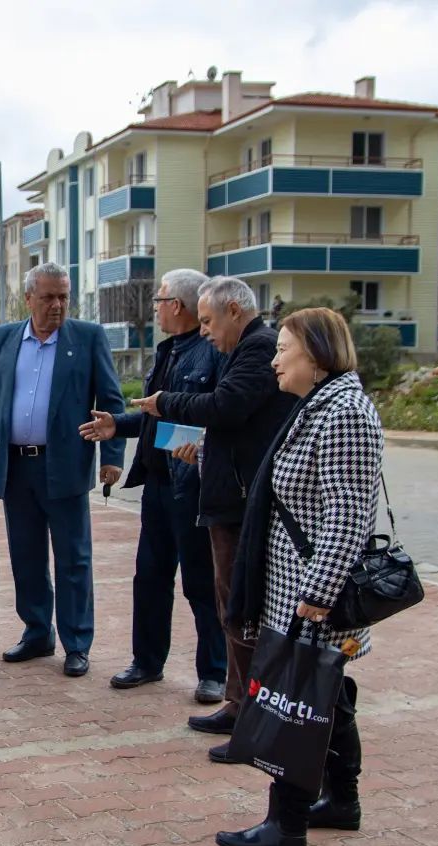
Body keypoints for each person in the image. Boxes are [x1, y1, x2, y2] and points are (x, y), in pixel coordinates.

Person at [215, 306, 384, 846]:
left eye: (283, 349)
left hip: (313, 594)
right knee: (326, 694)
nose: (275, 360)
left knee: (298, 705)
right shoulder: (318, 404)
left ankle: (284, 828)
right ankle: (341, 800)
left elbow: (347, 517)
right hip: (299, 585)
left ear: (315, 354)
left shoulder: (345, 414)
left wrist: (316, 598)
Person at [128, 276, 296, 753]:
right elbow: (231, 427)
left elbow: (225, 407)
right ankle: (238, 704)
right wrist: (202, 449)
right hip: (224, 497)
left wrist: (166, 403)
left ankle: (249, 712)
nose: (204, 331)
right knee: (232, 607)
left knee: (238, 608)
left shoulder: (256, 347)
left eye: (208, 321)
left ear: (235, 313)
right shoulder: (239, 349)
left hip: (241, 504)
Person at [0, 263, 125, 678]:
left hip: (65, 467)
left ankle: (77, 643)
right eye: (48, 297)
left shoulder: (87, 338)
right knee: (26, 555)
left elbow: (112, 401)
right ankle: (37, 631)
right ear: (28, 298)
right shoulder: (3, 338)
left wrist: (112, 456)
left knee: (74, 559)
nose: (57, 305)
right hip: (16, 466)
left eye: (63, 296)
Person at [79, 269, 225, 699]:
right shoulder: (168, 351)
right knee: (150, 578)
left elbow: (214, 413)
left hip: (193, 486)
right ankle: (146, 661)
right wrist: (117, 426)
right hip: (159, 485)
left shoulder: (211, 352)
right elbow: (153, 413)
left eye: (159, 301)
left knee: (201, 582)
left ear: (176, 305)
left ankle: (214, 672)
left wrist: (193, 445)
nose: (156, 308)